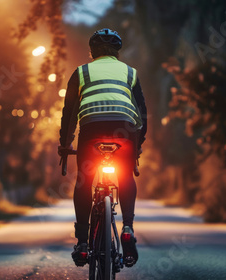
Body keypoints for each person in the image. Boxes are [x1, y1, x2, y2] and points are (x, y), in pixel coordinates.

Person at [58, 28, 147, 268]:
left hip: (92, 131)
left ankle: (83, 243)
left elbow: (70, 112)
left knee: (84, 181)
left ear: (91, 52)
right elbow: (142, 112)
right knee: (125, 175)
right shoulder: (130, 72)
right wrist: (138, 146)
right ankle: (127, 228)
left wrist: (65, 145)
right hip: (125, 130)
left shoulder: (81, 72)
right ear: (117, 52)